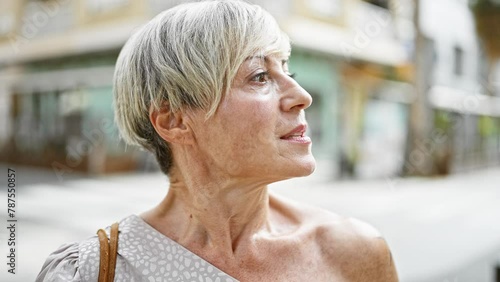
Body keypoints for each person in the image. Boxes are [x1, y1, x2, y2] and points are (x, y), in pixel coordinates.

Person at [36, 0, 399, 281]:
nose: (301, 95)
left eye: (288, 71)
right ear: (174, 120)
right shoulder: (96, 272)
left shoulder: (354, 253)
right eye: (259, 76)